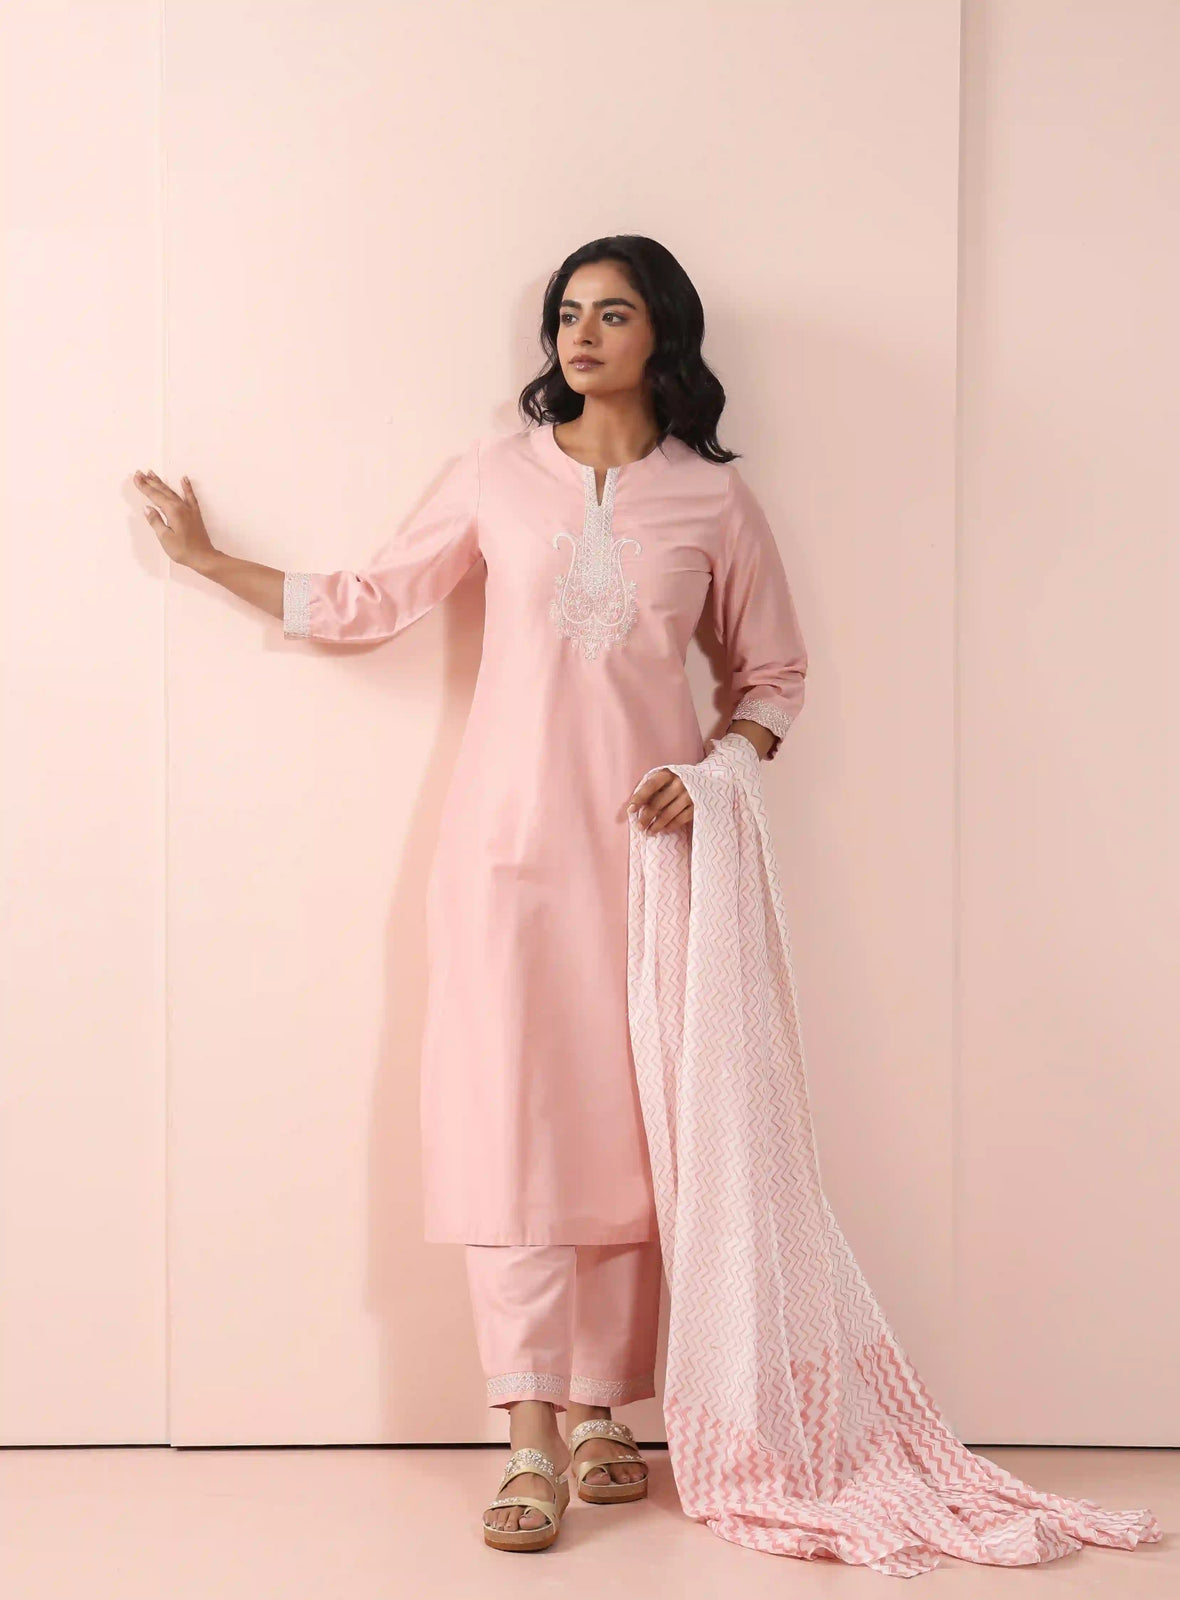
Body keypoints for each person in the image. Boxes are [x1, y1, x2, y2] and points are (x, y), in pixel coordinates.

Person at [131, 234, 809, 1552]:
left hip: (652, 861)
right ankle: (530, 1429)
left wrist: (717, 773)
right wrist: (212, 560)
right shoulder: (497, 478)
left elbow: (774, 679)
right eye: (568, 313)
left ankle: (608, 1406)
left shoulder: (712, 502)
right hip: (504, 858)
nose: (581, 334)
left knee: (636, 1123)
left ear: (664, 335)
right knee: (512, 1123)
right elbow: (373, 600)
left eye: (613, 313)